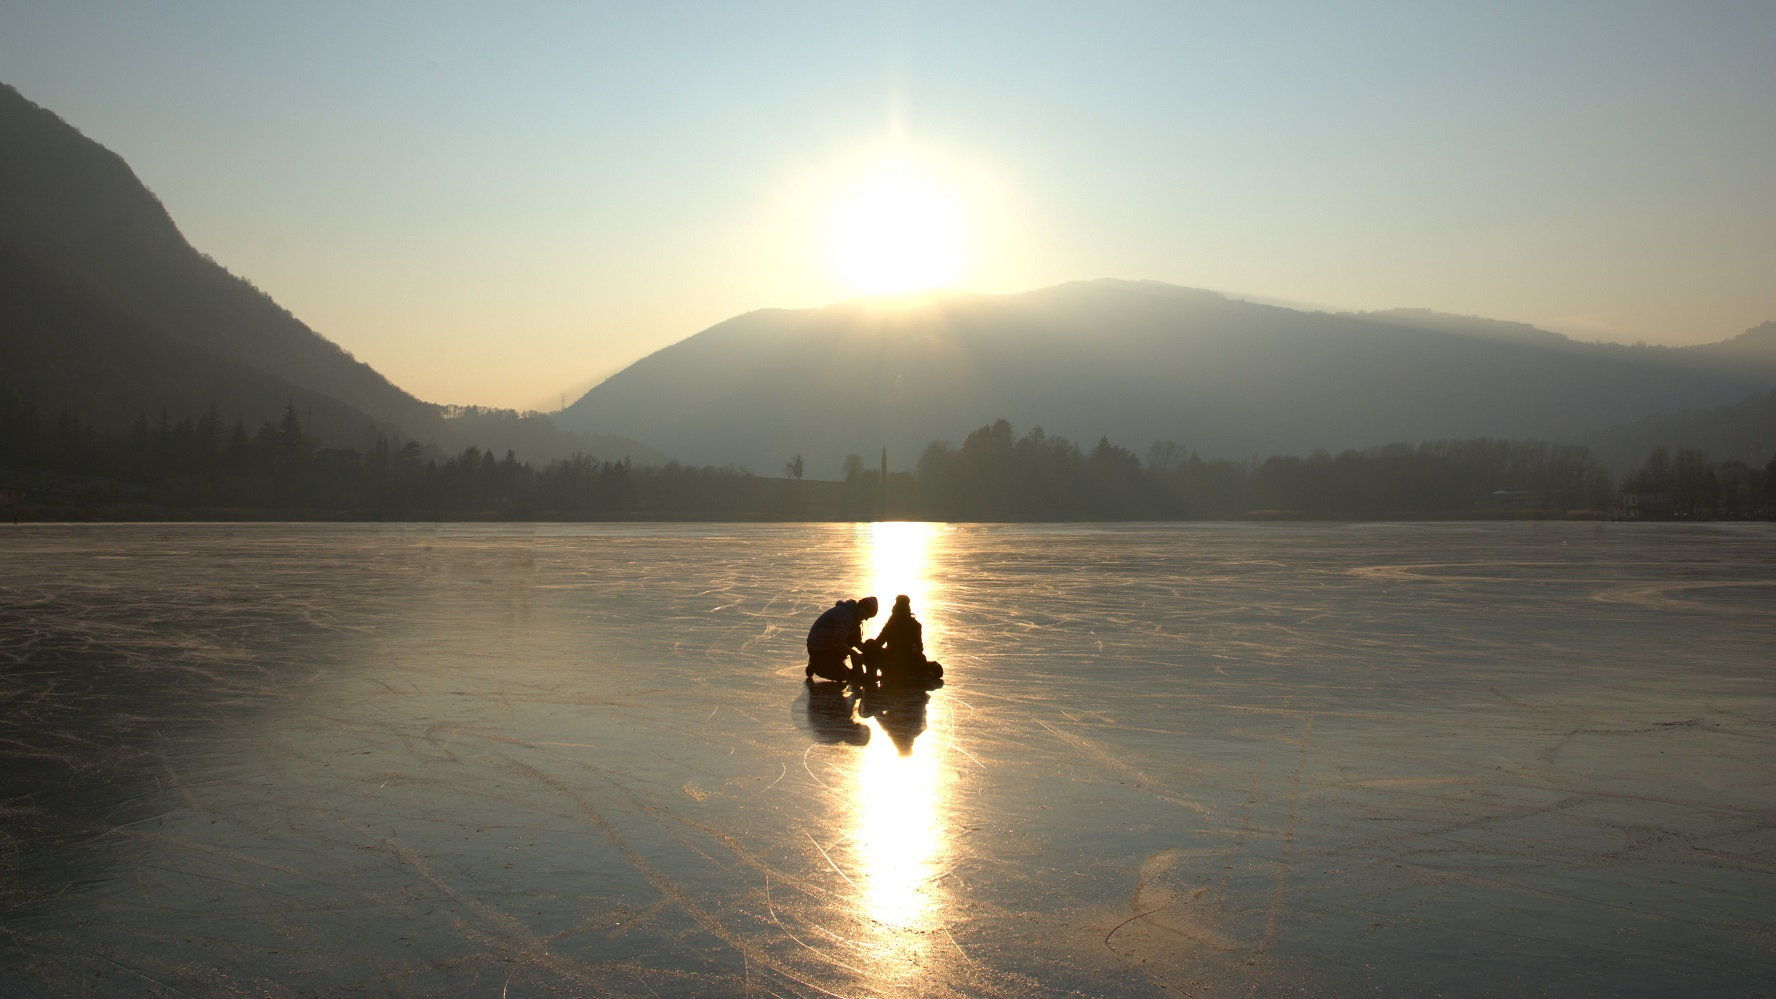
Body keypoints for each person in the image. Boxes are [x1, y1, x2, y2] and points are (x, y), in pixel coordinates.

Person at [867, 594, 943, 686]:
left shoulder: (893, 622)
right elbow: (919, 649)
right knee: (920, 659)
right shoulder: (915, 625)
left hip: (892, 662)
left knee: (869, 644)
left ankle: (871, 675)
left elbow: (879, 642)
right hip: (906, 664)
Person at [805, 596, 877, 682]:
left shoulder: (854, 618)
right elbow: (838, 643)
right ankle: (816, 665)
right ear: (863, 608)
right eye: (868, 615)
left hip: (829, 645)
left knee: (854, 634)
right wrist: (854, 654)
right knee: (841, 675)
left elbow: (856, 642)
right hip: (819, 650)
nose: (866, 619)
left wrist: (869, 652)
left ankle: (837, 663)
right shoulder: (844, 615)